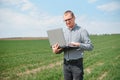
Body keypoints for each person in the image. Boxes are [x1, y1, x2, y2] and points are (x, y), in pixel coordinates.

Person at [52, 10, 93, 80]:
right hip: (66, 64)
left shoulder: (82, 31)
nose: (67, 22)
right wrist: (56, 51)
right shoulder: (63, 32)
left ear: (74, 18)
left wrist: (79, 44)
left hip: (77, 65)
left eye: (69, 19)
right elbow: (62, 48)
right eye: (65, 20)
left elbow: (90, 46)